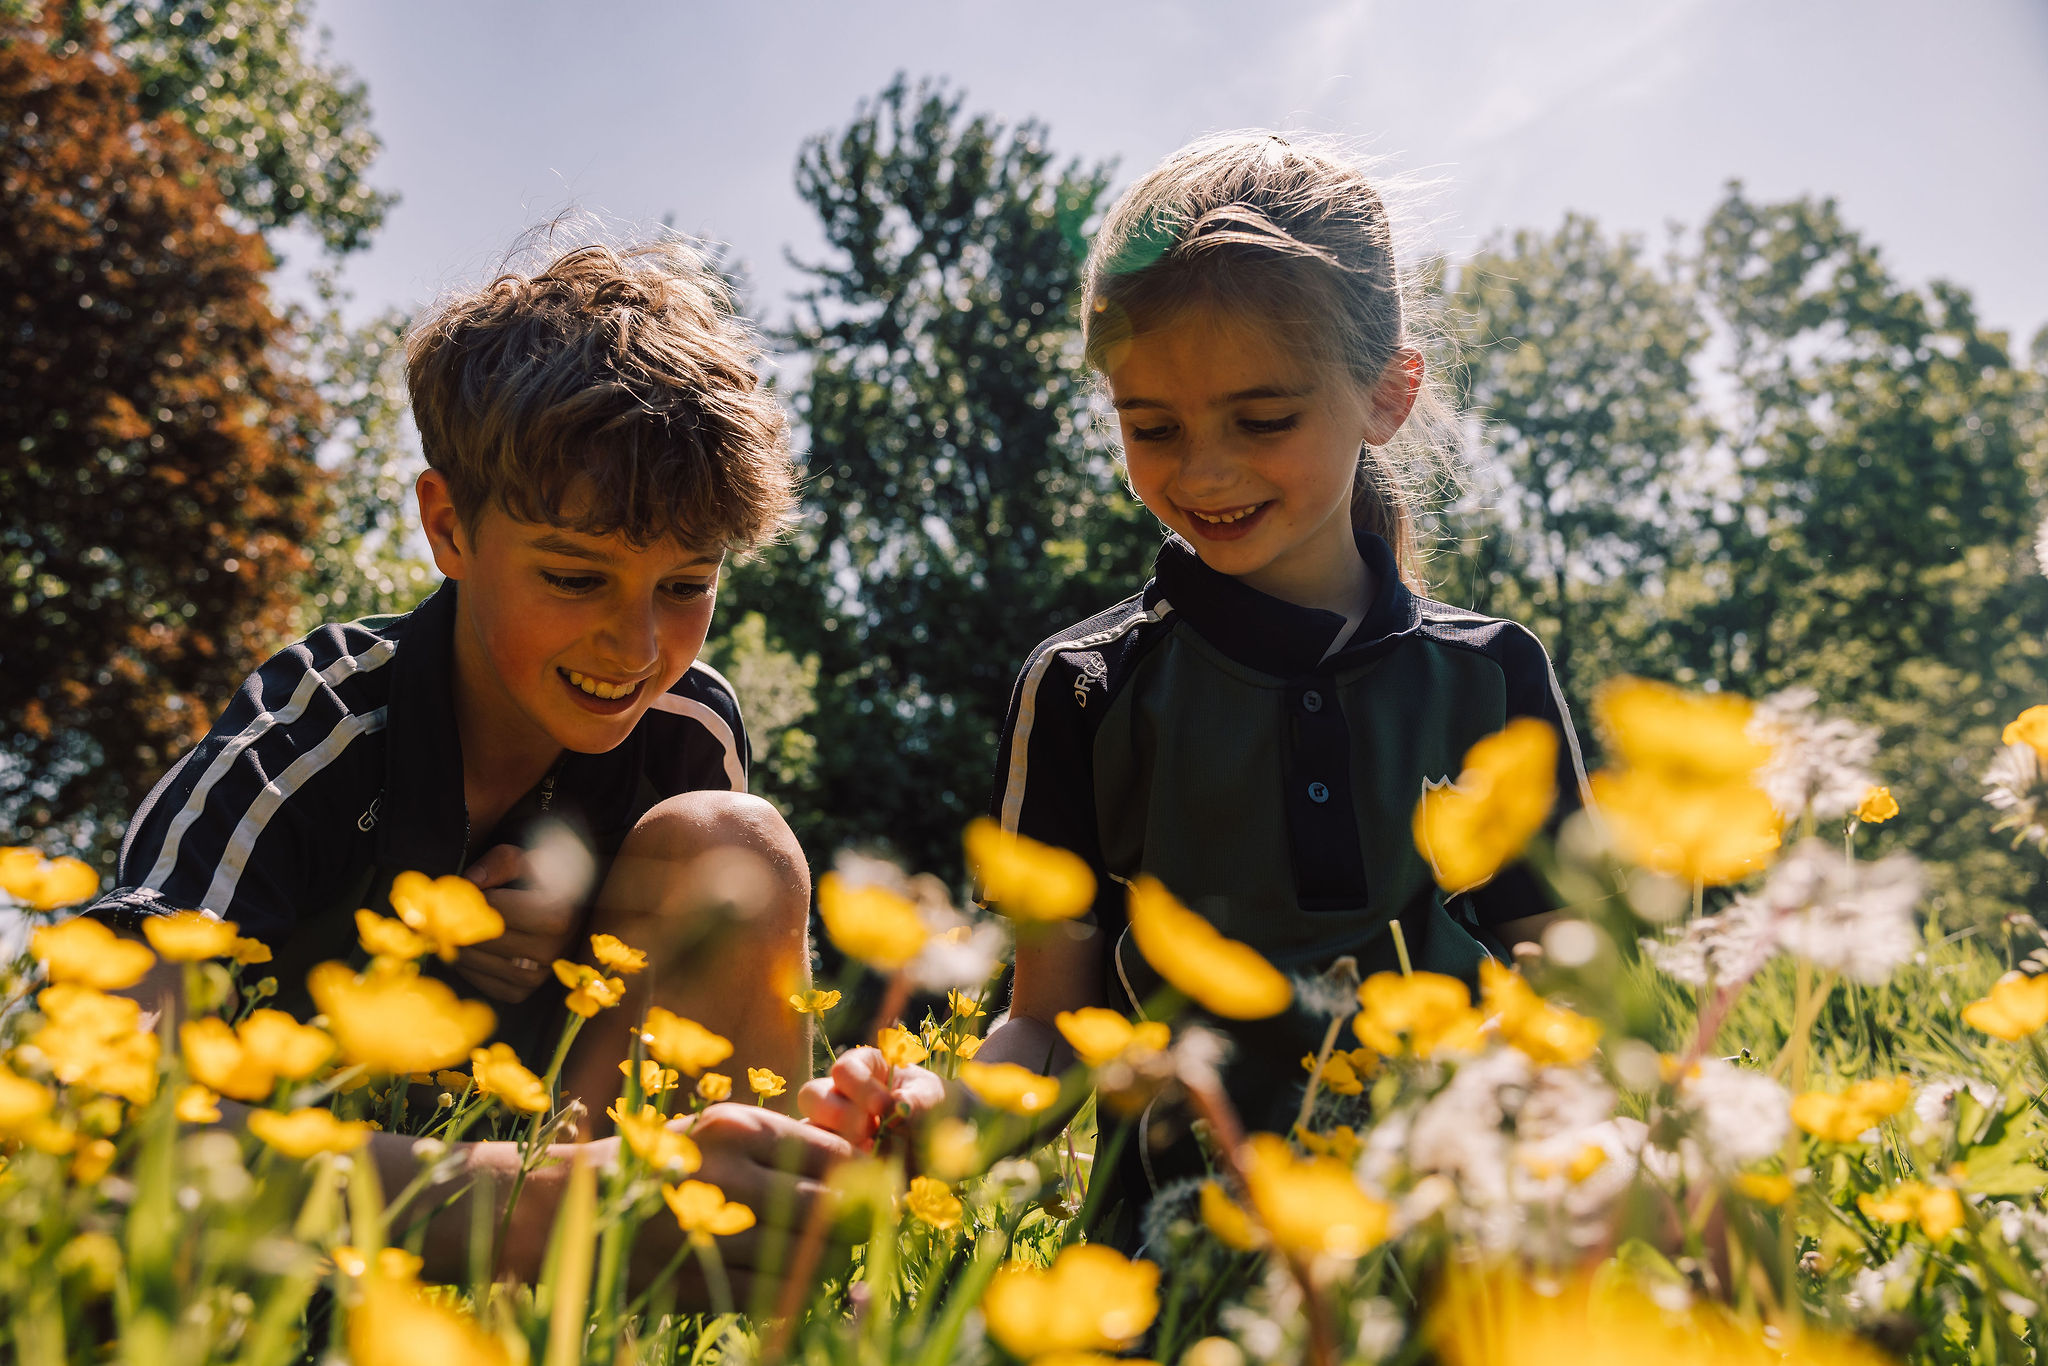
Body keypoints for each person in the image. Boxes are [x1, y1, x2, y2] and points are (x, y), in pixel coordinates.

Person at [800, 132, 1590, 1237]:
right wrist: (937, 1114)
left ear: (1386, 394)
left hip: (1447, 1241)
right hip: (1171, 1260)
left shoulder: (1489, 675)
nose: (1201, 471)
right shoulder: (1081, 688)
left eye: (1260, 420)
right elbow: (1047, 1024)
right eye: (1149, 427)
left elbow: (1566, 981)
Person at [88, 238, 849, 1291]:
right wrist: (560, 1205)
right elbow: (104, 1093)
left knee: (739, 842)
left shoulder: (683, 735)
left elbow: (712, 1005)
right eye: (577, 578)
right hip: (277, 1260)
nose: (635, 649)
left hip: (533, 1189)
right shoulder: (319, 728)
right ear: (448, 526)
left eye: (685, 584)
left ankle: (737, 1292)